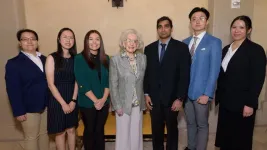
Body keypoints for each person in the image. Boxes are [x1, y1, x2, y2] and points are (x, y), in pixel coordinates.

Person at [215, 15, 266, 150]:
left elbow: (257, 79)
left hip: (243, 104)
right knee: (226, 138)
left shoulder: (256, 50)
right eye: (234, 27)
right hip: (226, 102)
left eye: (241, 27)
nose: (236, 30)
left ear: (249, 30)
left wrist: (250, 103)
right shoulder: (226, 49)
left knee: (241, 140)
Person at [144, 16, 191, 150]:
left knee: (172, 131)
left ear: (171, 28)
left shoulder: (181, 48)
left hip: (172, 99)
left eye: (166, 26)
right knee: (156, 131)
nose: (163, 29)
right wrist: (146, 94)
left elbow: (184, 75)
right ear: (157, 29)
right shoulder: (149, 49)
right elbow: (146, 74)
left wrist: (180, 98)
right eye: (160, 26)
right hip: (154, 99)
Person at [182, 7, 222, 150]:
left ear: (207, 22)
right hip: (186, 94)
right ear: (190, 22)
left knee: (202, 125)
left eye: (201, 18)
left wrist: (208, 94)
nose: (197, 21)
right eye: (194, 19)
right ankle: (191, 147)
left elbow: (214, 70)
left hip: (202, 94)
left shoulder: (214, 42)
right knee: (190, 123)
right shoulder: (184, 42)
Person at [5, 29, 49, 150]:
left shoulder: (46, 59)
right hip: (28, 109)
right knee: (31, 137)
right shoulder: (13, 63)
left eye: (33, 39)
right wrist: (18, 111)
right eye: (25, 39)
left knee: (45, 135)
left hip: (47, 106)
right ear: (20, 43)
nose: (29, 41)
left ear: (37, 41)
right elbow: (13, 89)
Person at [109, 29, 146, 150]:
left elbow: (144, 81)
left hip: (138, 104)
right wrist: (117, 105)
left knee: (136, 134)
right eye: (128, 40)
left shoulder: (143, 58)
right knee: (123, 135)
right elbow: (113, 85)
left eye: (135, 41)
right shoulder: (115, 60)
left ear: (138, 43)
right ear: (123, 43)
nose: (132, 43)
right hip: (123, 105)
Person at [74, 30, 110, 150]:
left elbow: (109, 81)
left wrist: (104, 99)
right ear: (86, 41)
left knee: (100, 130)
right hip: (88, 102)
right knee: (90, 131)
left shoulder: (106, 59)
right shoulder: (79, 59)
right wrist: (96, 101)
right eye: (91, 39)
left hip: (104, 102)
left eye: (97, 39)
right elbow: (82, 83)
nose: (94, 42)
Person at [46, 28, 78, 150]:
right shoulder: (52, 57)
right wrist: (63, 103)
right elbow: (50, 84)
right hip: (57, 99)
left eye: (71, 37)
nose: (68, 40)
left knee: (71, 130)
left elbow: (77, 81)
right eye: (65, 37)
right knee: (60, 132)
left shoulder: (76, 58)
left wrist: (73, 101)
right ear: (59, 39)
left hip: (72, 98)